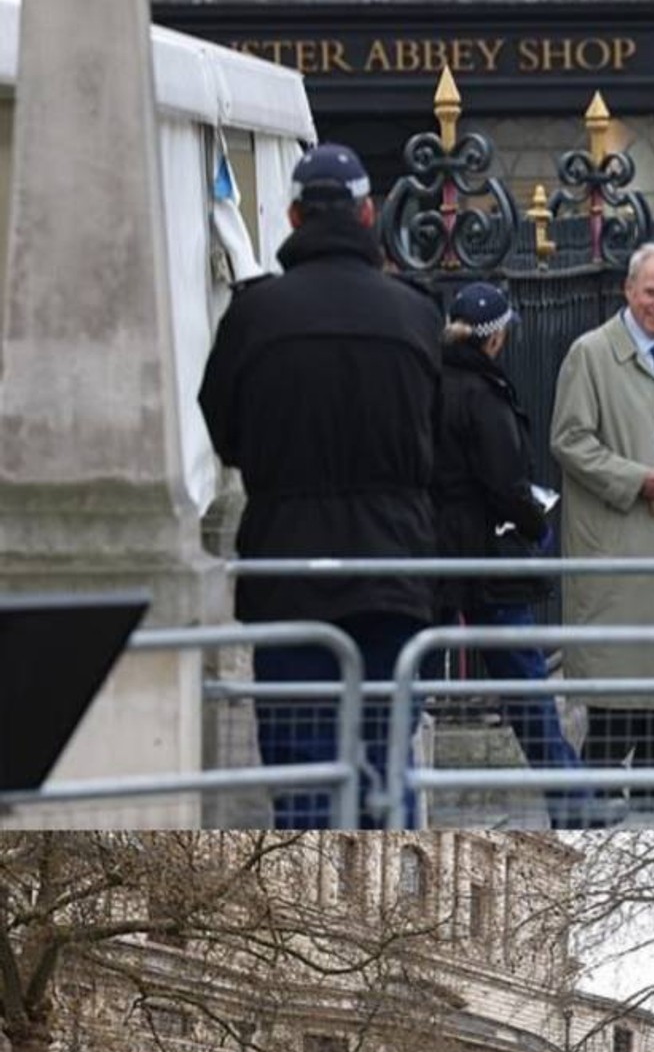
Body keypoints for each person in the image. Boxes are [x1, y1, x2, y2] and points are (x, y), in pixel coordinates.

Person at [196, 141, 443, 828]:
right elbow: (435, 435)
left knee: (302, 768)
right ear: (368, 213)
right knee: (387, 764)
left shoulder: (254, 315)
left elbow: (223, 430)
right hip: (393, 567)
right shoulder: (415, 313)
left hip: (288, 567)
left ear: (294, 216)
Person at [549, 242, 654, 811]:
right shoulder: (591, 353)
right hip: (620, 534)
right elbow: (570, 440)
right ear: (628, 290)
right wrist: (633, 478)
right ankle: (597, 787)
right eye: (652, 293)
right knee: (621, 675)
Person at [430, 279, 590, 823]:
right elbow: (506, 481)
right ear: (496, 337)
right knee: (525, 684)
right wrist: (535, 523)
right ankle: (569, 799)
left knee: (412, 678)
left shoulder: (429, 382)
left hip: (432, 553)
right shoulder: (484, 394)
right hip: (487, 555)